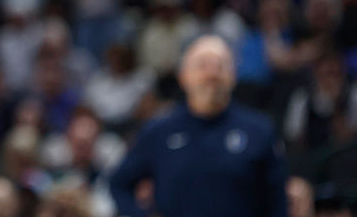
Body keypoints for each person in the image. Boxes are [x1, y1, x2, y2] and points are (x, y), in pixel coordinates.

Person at [109, 35, 287, 217]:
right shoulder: (159, 131)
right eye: (202, 65)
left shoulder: (259, 131)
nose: (212, 74)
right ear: (183, 76)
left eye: (220, 65)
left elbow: (277, 201)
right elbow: (119, 184)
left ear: (233, 75)